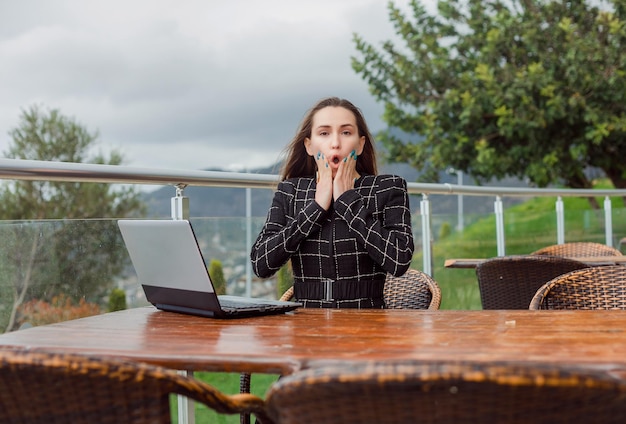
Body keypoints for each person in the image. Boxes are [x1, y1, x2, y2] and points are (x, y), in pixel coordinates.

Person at [250, 97, 414, 308]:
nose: (335, 143)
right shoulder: (291, 191)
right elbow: (261, 264)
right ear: (309, 145)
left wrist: (348, 200)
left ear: (360, 144)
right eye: (324, 133)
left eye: (346, 132)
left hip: (368, 323)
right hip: (306, 324)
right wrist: (316, 207)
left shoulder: (388, 187)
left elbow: (399, 261)